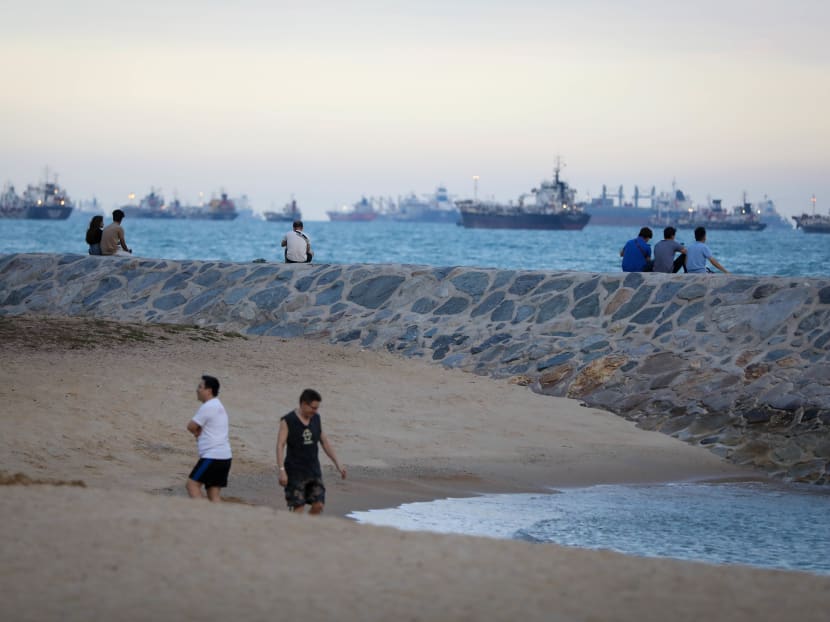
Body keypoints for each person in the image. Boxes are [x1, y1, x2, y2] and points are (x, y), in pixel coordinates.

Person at [276, 388, 346, 515]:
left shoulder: (316, 419)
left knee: (318, 505)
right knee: (298, 508)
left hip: (313, 470)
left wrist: (338, 464)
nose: (315, 411)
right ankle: (295, 532)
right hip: (294, 472)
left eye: (317, 408)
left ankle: (306, 529)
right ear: (303, 404)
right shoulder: (287, 420)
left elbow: (324, 442)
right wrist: (282, 471)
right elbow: (280, 445)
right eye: (313, 408)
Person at [186, 375, 232, 502]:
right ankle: (217, 520)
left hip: (213, 456)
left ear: (209, 391)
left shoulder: (209, 406)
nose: (197, 390)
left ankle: (204, 516)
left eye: (200, 387)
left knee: (192, 485)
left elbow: (190, 426)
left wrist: (196, 432)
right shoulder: (217, 405)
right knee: (213, 494)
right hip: (224, 456)